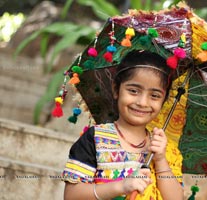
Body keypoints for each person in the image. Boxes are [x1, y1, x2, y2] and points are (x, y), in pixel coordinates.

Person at [62, 50, 183, 200]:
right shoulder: (95, 139)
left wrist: (160, 161)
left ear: (163, 101)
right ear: (116, 89)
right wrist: (122, 186)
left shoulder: (163, 149)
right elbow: (72, 196)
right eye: (133, 91)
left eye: (155, 95)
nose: (142, 102)